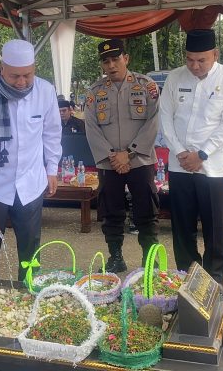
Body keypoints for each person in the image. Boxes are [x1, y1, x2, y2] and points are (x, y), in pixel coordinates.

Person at [0, 39, 62, 281]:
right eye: (14, 76)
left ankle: (29, 294)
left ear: (34, 68)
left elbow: (52, 134)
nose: (21, 82)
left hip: (30, 182)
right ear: (1, 68)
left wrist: (52, 169)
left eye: (27, 75)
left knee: (30, 248)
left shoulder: (45, 91)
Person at [159, 29, 223, 285]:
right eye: (189, 59)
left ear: (215, 55)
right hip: (180, 165)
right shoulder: (175, 78)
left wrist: (202, 154)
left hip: (213, 168)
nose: (194, 66)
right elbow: (165, 118)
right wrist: (181, 153)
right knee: (182, 228)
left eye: (201, 60)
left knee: (215, 229)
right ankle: (188, 278)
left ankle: (214, 281)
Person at [84, 38, 160, 273]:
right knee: (111, 211)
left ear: (126, 59)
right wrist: (113, 156)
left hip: (140, 160)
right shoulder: (95, 92)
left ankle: (149, 258)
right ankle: (115, 256)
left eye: (115, 59)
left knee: (146, 211)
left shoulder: (146, 86)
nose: (111, 65)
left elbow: (154, 121)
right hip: (110, 164)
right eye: (106, 61)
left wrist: (128, 154)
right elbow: (91, 128)